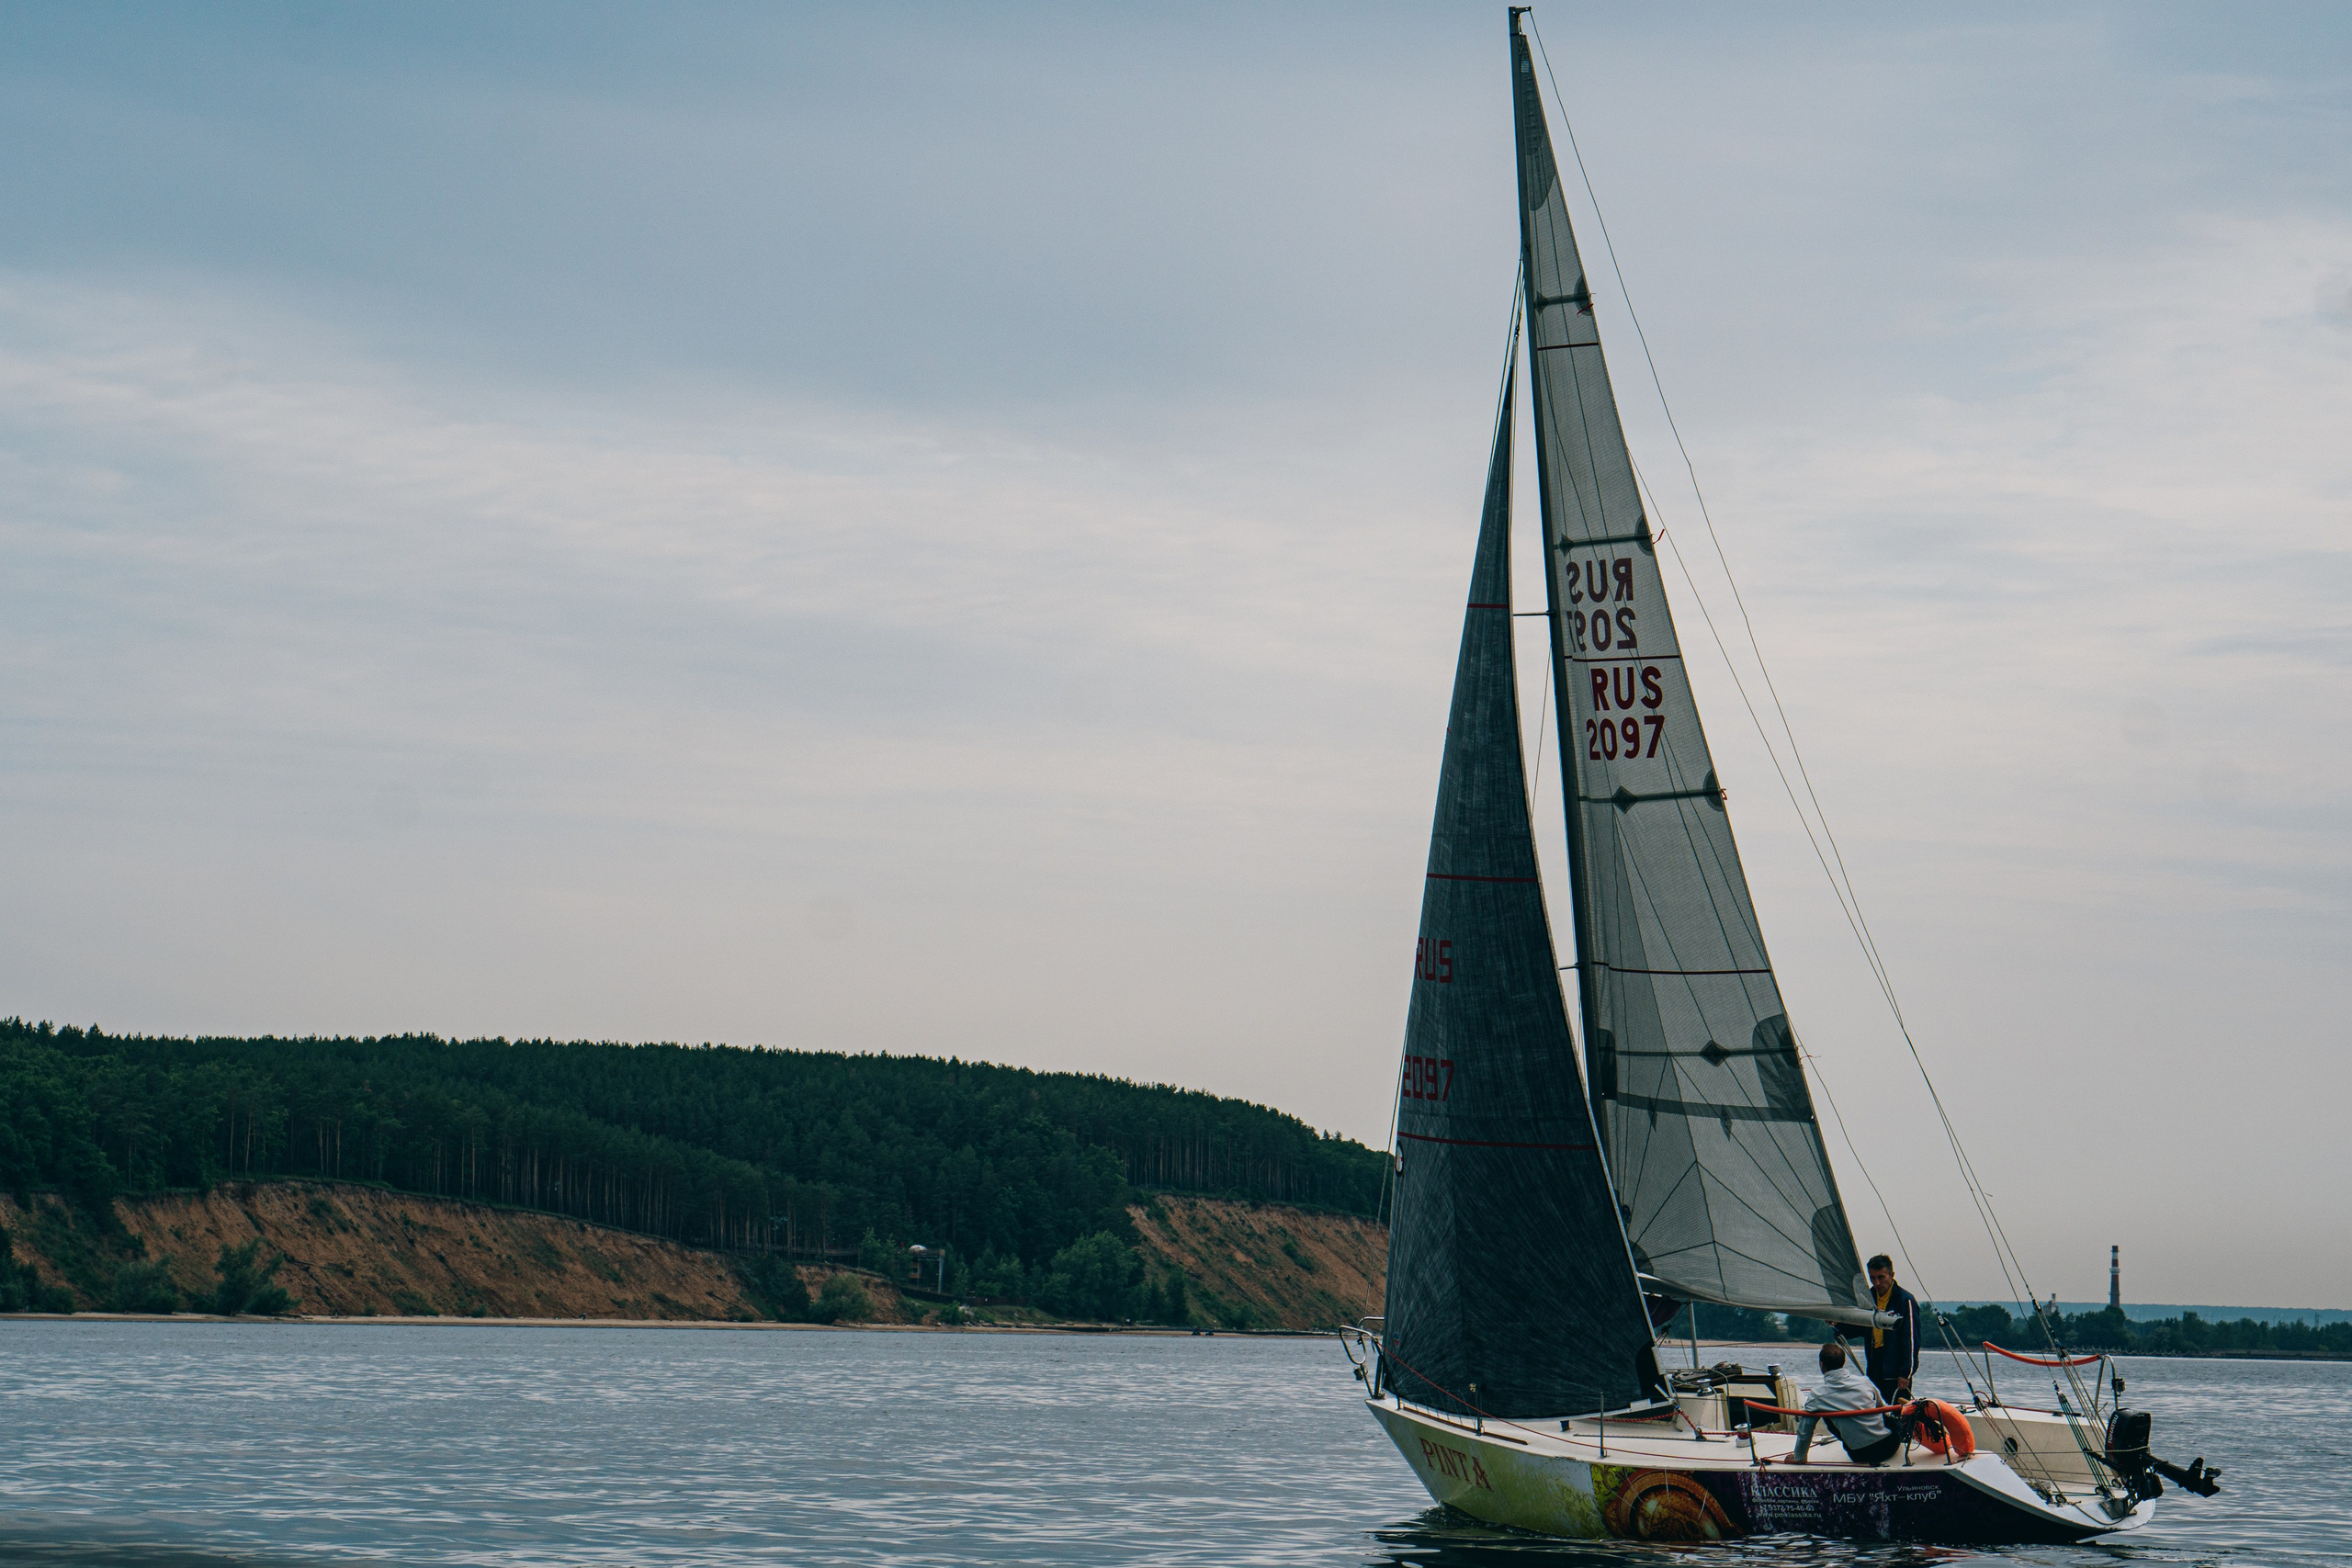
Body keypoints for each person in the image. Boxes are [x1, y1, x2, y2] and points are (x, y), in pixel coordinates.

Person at [1791, 1339, 1907, 1465]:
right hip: (1890, 1445)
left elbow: (1805, 1431)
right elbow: (1883, 1408)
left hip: (1860, 1454)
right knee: (1883, 1411)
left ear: (1821, 1365)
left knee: (1821, 1411)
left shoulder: (1817, 1395)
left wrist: (1799, 1458)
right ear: (1843, 1362)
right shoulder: (1864, 1381)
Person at [1838, 1254, 1919, 1404]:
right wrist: (1838, 1324)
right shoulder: (1868, 1298)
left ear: (1891, 1275)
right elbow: (1859, 1327)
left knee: (1896, 1411)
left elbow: (1911, 1339)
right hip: (1875, 1364)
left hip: (1895, 1367)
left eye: (1881, 1277)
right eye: (1873, 1278)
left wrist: (1905, 1373)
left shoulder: (1904, 1300)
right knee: (1875, 1408)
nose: (1877, 1283)